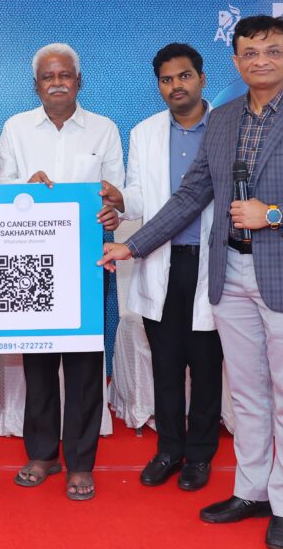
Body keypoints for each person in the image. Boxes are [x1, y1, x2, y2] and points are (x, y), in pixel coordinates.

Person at [99, 16, 283, 549]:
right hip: (230, 274)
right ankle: (251, 490)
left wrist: (273, 215)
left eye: (272, 51)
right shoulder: (222, 119)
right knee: (245, 393)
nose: (261, 61)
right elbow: (190, 196)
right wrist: (134, 244)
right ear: (236, 60)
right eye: (250, 53)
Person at [0, 43, 122, 502]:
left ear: (78, 81)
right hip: (29, 260)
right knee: (39, 364)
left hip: (86, 262)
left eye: (65, 75)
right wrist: (21, 188)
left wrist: (114, 207)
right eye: (48, 76)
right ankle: (43, 454)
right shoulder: (15, 128)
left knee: (86, 367)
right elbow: (0, 190)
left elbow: (119, 194)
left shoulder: (105, 129)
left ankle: (81, 462)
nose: (57, 83)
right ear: (36, 85)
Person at [101, 43, 223, 492]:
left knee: (206, 367)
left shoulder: (228, 126)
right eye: (167, 80)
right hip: (161, 262)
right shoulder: (145, 132)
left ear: (202, 79)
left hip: (212, 265)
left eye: (184, 76)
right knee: (166, 365)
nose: (176, 86)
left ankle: (200, 455)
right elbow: (138, 196)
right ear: (159, 86)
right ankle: (169, 449)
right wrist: (120, 199)